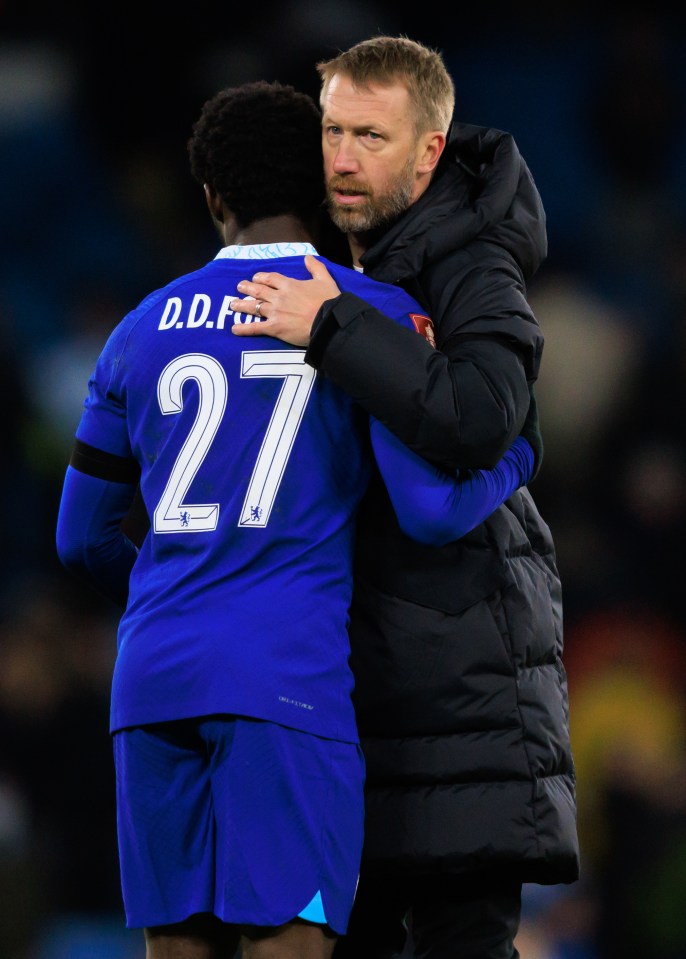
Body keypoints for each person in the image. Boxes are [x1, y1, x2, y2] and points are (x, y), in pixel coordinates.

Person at [55, 80, 535, 959]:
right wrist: (517, 455)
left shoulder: (137, 330)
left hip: (153, 674)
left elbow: (78, 536)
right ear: (322, 186)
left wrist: (178, 594)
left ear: (211, 196)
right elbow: (430, 512)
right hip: (283, 680)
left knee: (176, 947)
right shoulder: (368, 317)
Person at [228, 37, 580, 959]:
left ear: (428, 151)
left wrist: (334, 327)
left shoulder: (474, 261)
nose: (343, 158)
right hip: (349, 683)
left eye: (372, 138)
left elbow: (479, 414)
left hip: (457, 685)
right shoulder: (326, 247)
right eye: (334, 130)